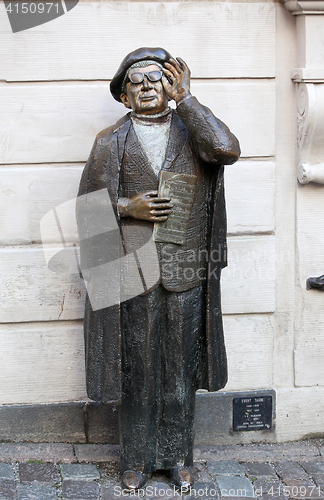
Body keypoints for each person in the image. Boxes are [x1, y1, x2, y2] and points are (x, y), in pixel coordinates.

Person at [77, 47, 240, 490]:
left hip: (185, 268)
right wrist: (128, 205)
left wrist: (187, 99)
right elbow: (87, 210)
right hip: (132, 270)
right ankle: (136, 460)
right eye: (136, 82)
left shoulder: (194, 133)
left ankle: (178, 457)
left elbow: (226, 149)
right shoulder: (110, 142)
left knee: (179, 367)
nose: (147, 86)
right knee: (139, 368)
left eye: (156, 78)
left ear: (171, 86)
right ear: (124, 96)